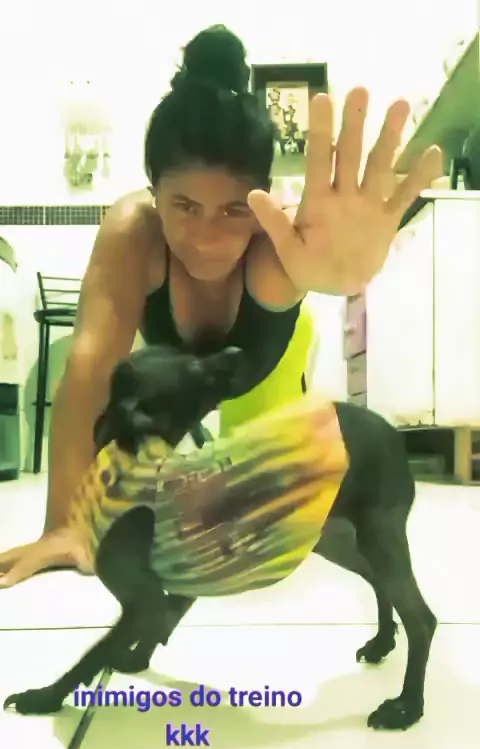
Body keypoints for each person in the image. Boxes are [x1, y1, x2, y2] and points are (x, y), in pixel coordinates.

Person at [0, 24, 441, 588]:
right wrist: (63, 525)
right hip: (186, 372)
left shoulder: (274, 249)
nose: (207, 238)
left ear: (262, 200)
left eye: (235, 210)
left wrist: (344, 277)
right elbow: (88, 371)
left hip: (267, 367)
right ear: (153, 191)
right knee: (138, 468)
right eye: (184, 206)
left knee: (265, 518)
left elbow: (316, 269)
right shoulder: (135, 233)